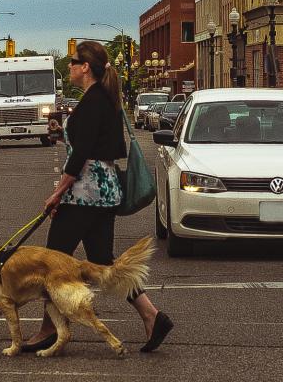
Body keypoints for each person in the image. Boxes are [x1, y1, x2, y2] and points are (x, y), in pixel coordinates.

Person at [23, 41, 174, 354]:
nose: (70, 66)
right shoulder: (100, 100)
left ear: (86, 68)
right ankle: (152, 315)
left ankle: (50, 329)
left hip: (85, 193)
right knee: (103, 262)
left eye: (74, 61)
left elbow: (80, 156)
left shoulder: (94, 102)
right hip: (102, 193)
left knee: (52, 261)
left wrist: (57, 193)